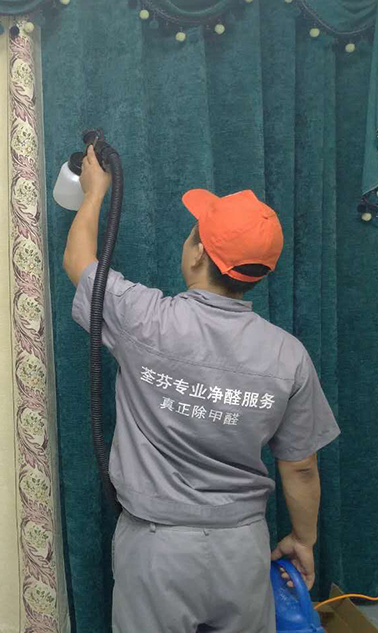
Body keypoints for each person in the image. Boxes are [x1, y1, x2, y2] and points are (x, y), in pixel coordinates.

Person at [63, 146, 340, 633]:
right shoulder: (289, 355)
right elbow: (300, 466)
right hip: (243, 547)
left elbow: (79, 262)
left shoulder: (144, 319)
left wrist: (93, 194)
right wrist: (303, 540)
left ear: (196, 253)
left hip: (156, 548)